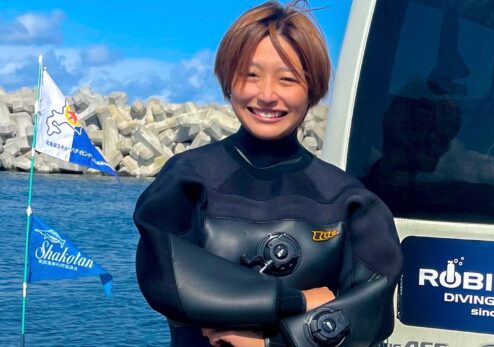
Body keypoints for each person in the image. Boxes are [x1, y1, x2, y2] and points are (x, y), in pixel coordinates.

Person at [133, 1, 402, 346]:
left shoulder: (349, 202)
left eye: (287, 80)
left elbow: (371, 313)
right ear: (229, 80)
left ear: (313, 89)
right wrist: (298, 300)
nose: (266, 95)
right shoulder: (186, 181)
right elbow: (169, 280)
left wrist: (269, 344)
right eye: (250, 75)